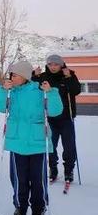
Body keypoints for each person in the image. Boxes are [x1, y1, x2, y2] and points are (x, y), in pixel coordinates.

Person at [0, 60, 62, 215]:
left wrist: (51, 92)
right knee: (19, 178)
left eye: (15, 75)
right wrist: (3, 90)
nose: (12, 78)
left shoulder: (40, 90)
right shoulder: (10, 92)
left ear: (25, 75)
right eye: (11, 75)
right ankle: (20, 206)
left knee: (38, 179)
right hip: (17, 142)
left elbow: (55, 111)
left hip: (37, 142)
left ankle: (39, 209)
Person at [31, 54, 81, 183]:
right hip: (50, 118)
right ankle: (53, 169)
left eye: (56, 64)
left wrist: (69, 77)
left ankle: (69, 171)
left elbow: (76, 90)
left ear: (61, 65)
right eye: (50, 64)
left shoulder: (68, 75)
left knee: (69, 147)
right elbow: (33, 89)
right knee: (50, 146)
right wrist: (34, 76)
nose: (53, 67)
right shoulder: (43, 77)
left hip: (66, 118)